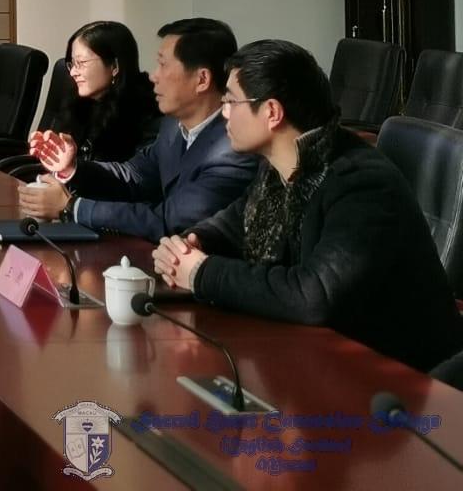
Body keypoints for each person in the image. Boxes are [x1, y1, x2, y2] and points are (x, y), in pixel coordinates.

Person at [154, 40, 463, 374]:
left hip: (402, 378)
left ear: (272, 112)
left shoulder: (360, 183)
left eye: (230, 101)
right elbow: (234, 223)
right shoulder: (280, 166)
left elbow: (314, 296)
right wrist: (191, 244)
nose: (223, 112)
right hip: (323, 358)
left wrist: (202, 273)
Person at [20, 18, 256, 241]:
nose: (154, 76)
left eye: (163, 65)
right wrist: (72, 168)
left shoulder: (234, 149)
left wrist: (72, 207)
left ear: (202, 79)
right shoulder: (173, 125)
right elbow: (133, 176)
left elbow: (169, 220)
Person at [44, 21, 160, 163]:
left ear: (114, 66)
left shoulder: (144, 113)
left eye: (81, 63)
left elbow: (134, 173)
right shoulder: (76, 104)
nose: (73, 72)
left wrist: (74, 169)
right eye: (72, 64)